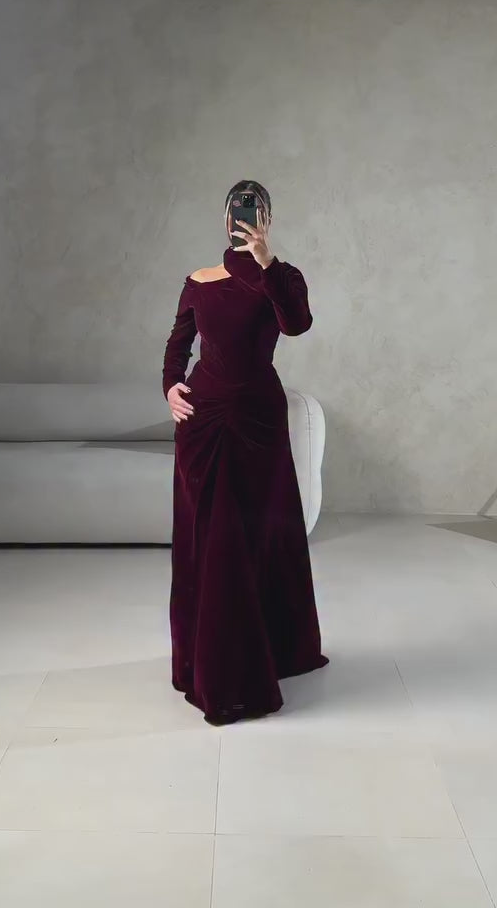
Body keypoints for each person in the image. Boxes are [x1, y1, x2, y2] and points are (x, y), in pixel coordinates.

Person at [161, 180, 328, 725]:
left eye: (254, 210)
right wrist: (170, 387)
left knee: (259, 533)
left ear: (268, 219)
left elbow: (296, 324)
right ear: (225, 217)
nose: (245, 216)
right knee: (212, 540)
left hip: (258, 420)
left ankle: (269, 651)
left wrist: (266, 261)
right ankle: (211, 666)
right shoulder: (198, 280)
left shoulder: (284, 277)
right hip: (203, 421)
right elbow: (178, 345)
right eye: (238, 208)